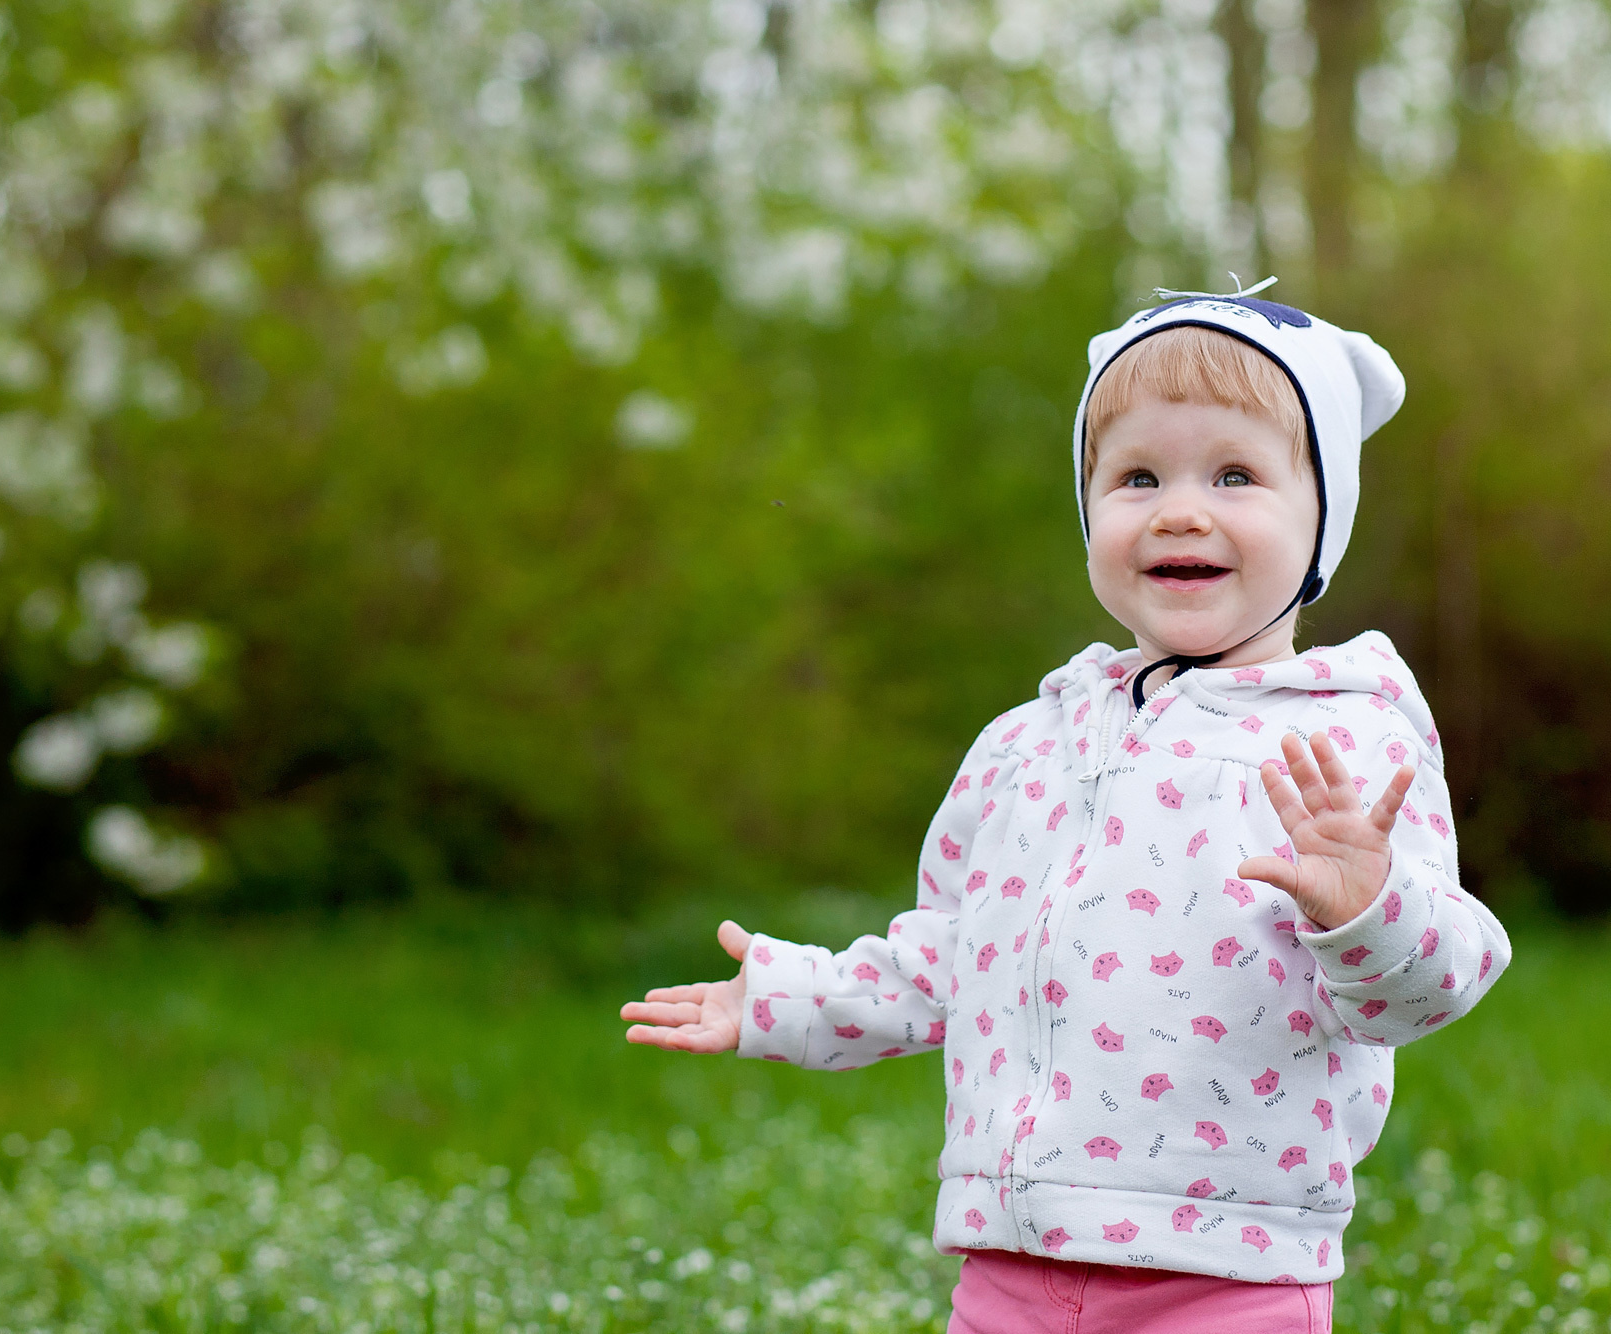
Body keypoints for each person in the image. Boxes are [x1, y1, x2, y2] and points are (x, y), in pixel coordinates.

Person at [620, 284, 1513, 1333]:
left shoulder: (1346, 743)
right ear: (1089, 514)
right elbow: (948, 955)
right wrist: (788, 997)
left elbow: (1431, 986)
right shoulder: (1023, 746)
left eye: (1234, 475)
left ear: (1323, 517)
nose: (1180, 510)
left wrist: (1369, 905)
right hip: (1012, 1256)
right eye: (1137, 477)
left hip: (1228, 1265)